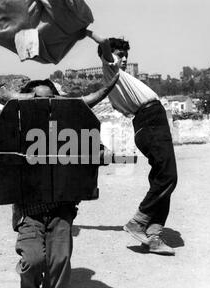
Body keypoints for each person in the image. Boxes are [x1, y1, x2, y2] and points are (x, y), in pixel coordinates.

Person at [0, 80, 79, 288]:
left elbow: (93, 145)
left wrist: (102, 150)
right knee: (32, 261)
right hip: (28, 212)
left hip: (61, 209)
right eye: (37, 101)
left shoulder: (67, 128)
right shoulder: (15, 129)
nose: (44, 107)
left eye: (49, 100)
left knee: (59, 261)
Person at [86, 30, 178, 256]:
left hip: (152, 121)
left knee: (162, 179)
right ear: (108, 56)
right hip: (150, 121)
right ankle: (138, 222)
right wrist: (86, 30)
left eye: (126, 54)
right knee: (168, 177)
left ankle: (154, 235)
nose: (124, 58)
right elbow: (104, 44)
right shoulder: (111, 68)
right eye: (120, 54)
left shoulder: (120, 76)